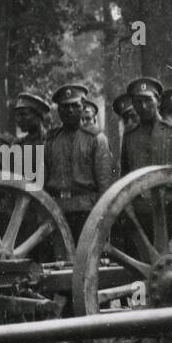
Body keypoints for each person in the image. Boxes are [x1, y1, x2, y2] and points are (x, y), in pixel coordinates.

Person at [44, 85, 114, 242]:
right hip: (57, 211)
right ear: (58, 110)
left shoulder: (96, 139)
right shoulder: (50, 141)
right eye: (65, 107)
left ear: (82, 107)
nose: (69, 111)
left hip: (87, 211)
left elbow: (104, 184)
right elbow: (43, 179)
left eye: (75, 106)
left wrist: (102, 219)